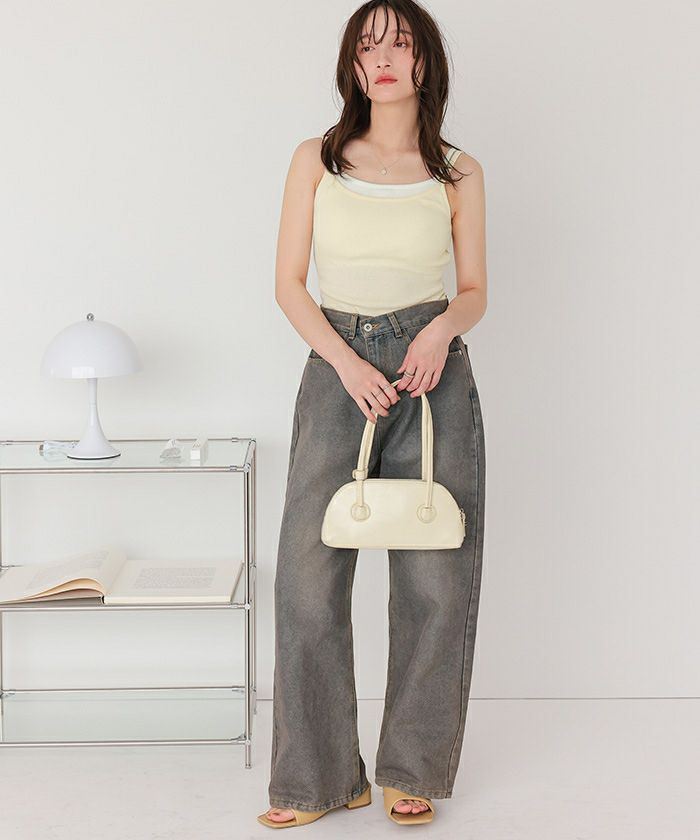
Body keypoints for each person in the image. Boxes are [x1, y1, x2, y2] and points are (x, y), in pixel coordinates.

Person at [257, 0, 486, 828]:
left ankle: (409, 770)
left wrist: (439, 331)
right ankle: (320, 780)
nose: (382, 59)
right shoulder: (315, 159)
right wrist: (347, 362)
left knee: (435, 582)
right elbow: (289, 284)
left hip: (433, 375)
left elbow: (474, 290)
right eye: (367, 46)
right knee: (307, 582)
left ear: (425, 62)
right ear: (352, 65)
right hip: (337, 369)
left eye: (399, 44)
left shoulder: (458, 171)